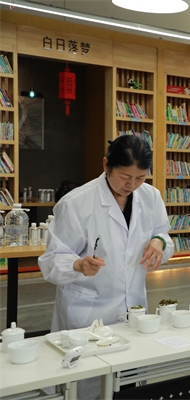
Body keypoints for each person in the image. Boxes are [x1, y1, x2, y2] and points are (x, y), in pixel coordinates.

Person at [38, 135, 174, 398]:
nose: (131, 185)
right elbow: (51, 260)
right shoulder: (77, 202)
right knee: (86, 386)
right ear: (106, 165)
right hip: (87, 313)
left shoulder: (151, 197)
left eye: (140, 178)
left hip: (133, 310)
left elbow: (164, 237)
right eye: (125, 177)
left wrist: (159, 242)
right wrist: (78, 264)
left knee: (128, 384)